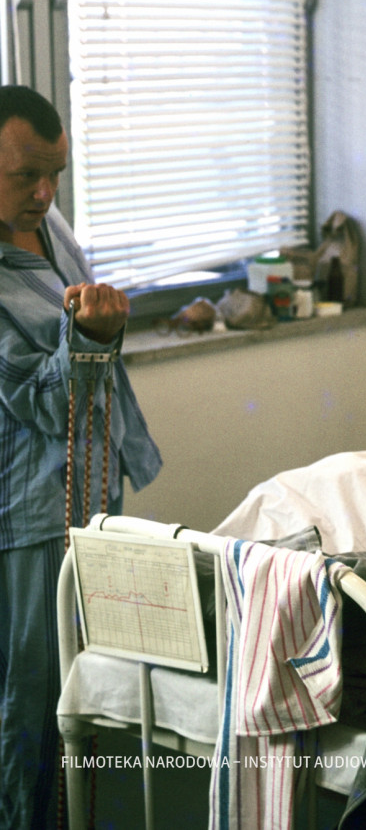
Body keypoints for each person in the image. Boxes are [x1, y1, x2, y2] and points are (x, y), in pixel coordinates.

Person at [0, 86, 162, 829]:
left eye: (56, 174)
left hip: (91, 491)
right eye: (27, 175)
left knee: (87, 685)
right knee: (32, 702)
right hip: (31, 513)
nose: (45, 192)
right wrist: (91, 337)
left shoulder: (44, 221)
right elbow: (40, 400)